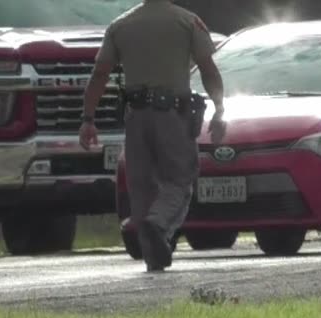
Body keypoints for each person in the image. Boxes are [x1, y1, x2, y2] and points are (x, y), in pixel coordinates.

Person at [78, 0, 226, 272]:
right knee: (179, 180)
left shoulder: (120, 25)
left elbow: (99, 73)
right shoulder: (187, 21)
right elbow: (208, 69)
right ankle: (157, 224)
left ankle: (154, 259)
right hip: (173, 115)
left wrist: (88, 119)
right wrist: (219, 110)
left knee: (142, 186)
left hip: (135, 117)